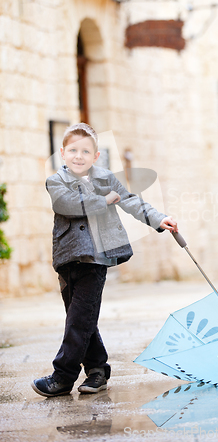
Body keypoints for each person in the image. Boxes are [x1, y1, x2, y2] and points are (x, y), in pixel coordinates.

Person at [31, 123, 178, 397]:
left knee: (79, 319)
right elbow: (68, 205)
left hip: (96, 259)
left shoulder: (106, 178)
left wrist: (158, 219)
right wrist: (104, 200)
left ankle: (62, 377)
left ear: (95, 156)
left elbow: (131, 201)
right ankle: (98, 371)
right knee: (81, 318)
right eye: (73, 150)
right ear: (62, 153)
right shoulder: (56, 181)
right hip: (67, 257)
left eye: (86, 151)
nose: (79, 156)